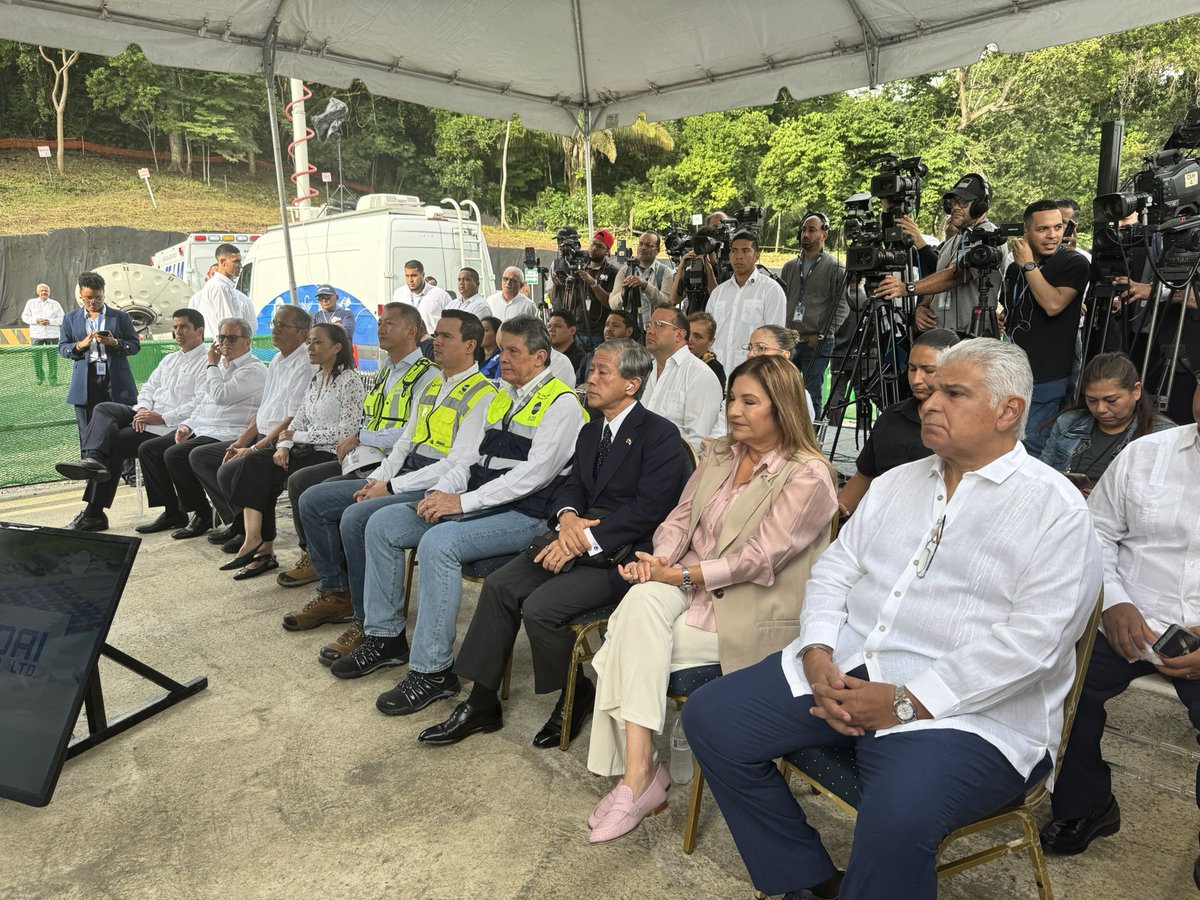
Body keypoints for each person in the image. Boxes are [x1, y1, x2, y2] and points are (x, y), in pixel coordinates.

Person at [683, 339, 1102, 900]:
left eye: (954, 393)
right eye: (930, 391)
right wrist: (817, 652)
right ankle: (808, 880)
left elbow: (1036, 644)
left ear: (1010, 411)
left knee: (898, 818)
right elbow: (834, 575)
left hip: (968, 714)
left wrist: (906, 701)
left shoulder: (1057, 511)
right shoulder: (895, 484)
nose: (929, 403)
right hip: (846, 665)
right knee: (713, 717)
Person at [585, 355, 838, 844]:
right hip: (688, 584)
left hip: (750, 609)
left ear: (782, 407)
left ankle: (640, 779)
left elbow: (760, 559)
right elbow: (680, 518)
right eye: (731, 399)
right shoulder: (721, 453)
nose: (734, 411)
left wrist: (678, 573)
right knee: (637, 607)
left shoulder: (808, 476)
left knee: (620, 646)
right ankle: (641, 776)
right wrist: (659, 565)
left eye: (749, 401)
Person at [418, 339, 687, 749]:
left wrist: (583, 539)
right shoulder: (591, 430)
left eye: (602, 372)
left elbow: (650, 510)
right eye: (591, 369)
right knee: (500, 588)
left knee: (541, 609)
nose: (589, 379)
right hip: (571, 536)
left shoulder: (660, 436)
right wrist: (567, 520)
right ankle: (481, 701)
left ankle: (575, 692)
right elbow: (571, 485)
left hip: (623, 554)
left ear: (632, 385)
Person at [329, 316, 586, 721]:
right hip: (484, 501)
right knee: (383, 524)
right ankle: (385, 637)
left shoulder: (562, 403)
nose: (502, 358)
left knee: (438, 543)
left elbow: (533, 477)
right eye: (500, 349)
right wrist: (441, 493)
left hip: (529, 514)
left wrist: (464, 504)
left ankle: (433, 671)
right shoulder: (505, 393)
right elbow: (467, 458)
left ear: (540, 357)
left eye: (513, 351)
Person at [1040, 383, 1200, 886]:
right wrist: (1115, 601)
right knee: (1060, 686)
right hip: (1132, 616)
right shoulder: (1148, 453)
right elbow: (1098, 530)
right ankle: (1087, 804)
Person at [288, 310, 495, 664]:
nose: (437, 342)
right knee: (313, 498)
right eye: (437, 336)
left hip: (436, 482)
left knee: (357, 518)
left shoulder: (483, 393)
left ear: (470, 346)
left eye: (445, 337)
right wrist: (379, 478)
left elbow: (454, 464)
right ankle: (338, 593)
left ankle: (370, 624)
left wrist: (393, 487)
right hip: (403, 472)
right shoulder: (433, 384)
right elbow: (404, 443)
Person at [219, 324, 365, 579]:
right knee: (254, 464)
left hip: (334, 453)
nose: (310, 347)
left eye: (317, 342)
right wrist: (284, 446)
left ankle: (310, 554)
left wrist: (297, 437)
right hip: (305, 448)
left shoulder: (349, 381)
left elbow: (347, 432)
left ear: (336, 348)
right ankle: (255, 541)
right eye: (309, 342)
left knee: (297, 480)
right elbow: (299, 419)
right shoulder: (317, 378)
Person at [56, 308, 209, 532]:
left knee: (115, 442)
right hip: (145, 414)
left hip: (172, 425)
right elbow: (148, 386)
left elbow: (201, 402)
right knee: (104, 409)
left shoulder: (207, 362)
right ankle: (94, 459)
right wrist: (145, 408)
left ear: (200, 331)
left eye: (184, 327)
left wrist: (161, 417)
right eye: (175, 327)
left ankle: (94, 513)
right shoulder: (170, 359)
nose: (178, 332)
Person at [189, 304, 315, 550]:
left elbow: (293, 417)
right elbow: (264, 410)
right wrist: (240, 442)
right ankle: (243, 528)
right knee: (205, 458)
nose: (275, 330)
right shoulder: (278, 359)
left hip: (284, 441)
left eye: (282, 325)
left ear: (301, 334)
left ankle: (258, 540)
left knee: (240, 469)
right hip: (261, 434)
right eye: (274, 324)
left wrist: (256, 448)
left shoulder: (304, 363)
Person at [133, 318, 266, 536]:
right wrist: (186, 426)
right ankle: (184, 511)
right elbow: (203, 402)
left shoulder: (253, 369)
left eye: (232, 338)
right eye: (221, 338)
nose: (225, 343)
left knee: (184, 455)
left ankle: (233, 520)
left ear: (248, 341)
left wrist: (211, 364)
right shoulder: (220, 367)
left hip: (232, 432)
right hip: (205, 428)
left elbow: (220, 395)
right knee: (152, 449)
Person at [836, 328, 960, 517]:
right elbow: (864, 475)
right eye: (911, 368)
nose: (916, 379)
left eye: (928, 370)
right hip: (876, 522)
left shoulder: (965, 426)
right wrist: (834, 516)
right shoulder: (892, 416)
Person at [1003, 199, 1092, 457]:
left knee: (1032, 446)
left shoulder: (1074, 263)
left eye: (1058, 227)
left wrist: (1029, 266)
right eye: (1043, 229)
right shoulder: (1014, 268)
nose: (1053, 235)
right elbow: (1013, 309)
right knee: (1009, 441)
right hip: (1014, 371)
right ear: (1026, 232)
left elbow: (1053, 304)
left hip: (1047, 374)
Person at [875, 173, 1002, 335]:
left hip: (970, 338)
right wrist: (922, 307)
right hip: (941, 336)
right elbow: (938, 280)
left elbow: (955, 276)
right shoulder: (952, 242)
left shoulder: (989, 236)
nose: (956, 207)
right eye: (953, 202)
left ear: (981, 206)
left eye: (963, 202)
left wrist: (908, 288)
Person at [1041, 351, 1174, 488]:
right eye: (1092, 400)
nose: (1101, 409)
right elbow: (1041, 475)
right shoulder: (1068, 422)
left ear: (1136, 391)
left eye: (1111, 400)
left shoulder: (1163, 435)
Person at [59, 271, 141, 450]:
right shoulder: (70, 318)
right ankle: (91, 469)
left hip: (116, 379)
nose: (93, 302)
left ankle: (127, 473)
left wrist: (115, 343)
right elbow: (63, 347)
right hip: (86, 379)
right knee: (88, 428)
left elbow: (135, 345)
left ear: (104, 293)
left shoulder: (120, 317)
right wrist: (80, 346)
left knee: (123, 423)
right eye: (88, 298)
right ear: (80, 294)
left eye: (97, 297)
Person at [781, 213, 851, 418]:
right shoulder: (789, 267)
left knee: (812, 394)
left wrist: (823, 334)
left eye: (812, 230)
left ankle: (812, 441)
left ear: (824, 234)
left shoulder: (835, 267)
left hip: (817, 341)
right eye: (803, 230)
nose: (806, 234)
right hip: (790, 340)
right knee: (783, 390)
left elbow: (842, 306)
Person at [642, 306, 723, 453]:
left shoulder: (700, 375)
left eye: (659, 325)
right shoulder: (644, 371)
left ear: (679, 335)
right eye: (649, 325)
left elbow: (699, 441)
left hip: (674, 468)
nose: (650, 330)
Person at [706, 230, 787, 372]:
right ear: (729, 255)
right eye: (734, 251)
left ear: (757, 256)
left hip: (752, 371)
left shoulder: (771, 290)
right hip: (717, 371)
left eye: (745, 251)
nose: (739, 256)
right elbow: (708, 332)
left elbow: (775, 338)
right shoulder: (718, 293)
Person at [550, 230, 619, 350]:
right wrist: (557, 285)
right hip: (576, 333)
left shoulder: (613, 272)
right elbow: (554, 300)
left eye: (599, 246)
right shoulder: (576, 268)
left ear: (608, 251)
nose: (594, 248)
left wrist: (592, 283)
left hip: (598, 334)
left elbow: (610, 303)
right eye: (592, 244)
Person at [745, 325, 816, 422]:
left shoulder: (797, 395)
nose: (750, 354)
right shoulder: (741, 385)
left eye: (761, 348)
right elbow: (722, 428)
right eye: (750, 347)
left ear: (784, 355)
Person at [609, 231, 675, 328]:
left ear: (657, 250)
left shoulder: (665, 272)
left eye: (649, 245)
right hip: (629, 331)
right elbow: (612, 305)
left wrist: (646, 286)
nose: (643, 248)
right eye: (641, 244)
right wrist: (623, 293)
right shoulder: (625, 271)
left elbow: (667, 304)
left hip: (654, 330)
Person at [188, 243, 254, 334]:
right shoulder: (220, 287)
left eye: (240, 261)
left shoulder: (222, 286)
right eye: (236, 261)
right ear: (223, 262)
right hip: (226, 344)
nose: (240, 265)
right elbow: (228, 325)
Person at [391, 259, 452, 335]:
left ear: (423, 275)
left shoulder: (440, 294)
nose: (410, 280)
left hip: (432, 341)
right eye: (407, 276)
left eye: (414, 276)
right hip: (406, 340)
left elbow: (452, 322)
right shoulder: (399, 294)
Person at [21, 283, 65, 386]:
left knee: (52, 358)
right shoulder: (30, 303)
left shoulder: (55, 304)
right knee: (36, 357)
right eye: (42, 291)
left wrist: (50, 321)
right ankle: (39, 378)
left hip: (52, 334)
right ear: (37, 292)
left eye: (46, 291)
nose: (44, 292)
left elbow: (63, 318)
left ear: (49, 292)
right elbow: (24, 317)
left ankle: (53, 379)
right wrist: (36, 320)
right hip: (36, 335)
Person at [577, 311, 637, 384]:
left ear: (629, 331)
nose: (609, 329)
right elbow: (577, 383)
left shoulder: (636, 359)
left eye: (615, 325)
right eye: (607, 325)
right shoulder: (591, 356)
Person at [687, 311, 726, 390]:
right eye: (687, 334)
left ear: (711, 341)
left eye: (697, 337)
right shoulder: (672, 360)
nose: (689, 340)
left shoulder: (715, 369)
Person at [547, 307, 584, 374]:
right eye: (549, 326)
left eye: (557, 326)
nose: (551, 330)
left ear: (572, 330)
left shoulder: (580, 359)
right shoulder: (545, 355)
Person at [480, 315, 503, 380]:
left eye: (486, 330)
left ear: (497, 334)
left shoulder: (502, 358)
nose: (481, 334)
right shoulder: (474, 356)